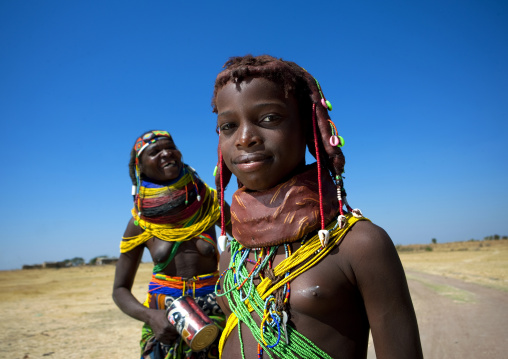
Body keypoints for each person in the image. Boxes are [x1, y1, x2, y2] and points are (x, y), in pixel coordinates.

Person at [211, 55, 424, 358]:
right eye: (228, 126)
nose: (245, 138)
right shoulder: (231, 255)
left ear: (309, 128)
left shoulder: (360, 245)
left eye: (269, 118)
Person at [113, 130, 231, 359]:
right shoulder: (140, 221)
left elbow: (249, 242)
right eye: (155, 151)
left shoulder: (207, 202)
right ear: (140, 166)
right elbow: (119, 290)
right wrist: (151, 317)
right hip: (166, 318)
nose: (167, 153)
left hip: (217, 313)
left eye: (170, 147)